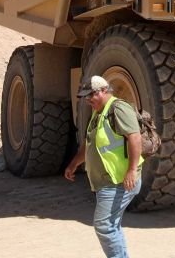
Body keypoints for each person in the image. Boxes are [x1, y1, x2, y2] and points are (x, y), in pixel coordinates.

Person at [64, 75, 143, 258]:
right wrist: (74, 164)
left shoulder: (118, 108)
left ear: (104, 90)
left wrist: (131, 170)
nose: (88, 99)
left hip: (118, 181)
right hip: (106, 182)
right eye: (85, 96)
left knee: (104, 226)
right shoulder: (98, 113)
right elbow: (89, 144)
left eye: (91, 95)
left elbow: (135, 137)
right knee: (111, 226)